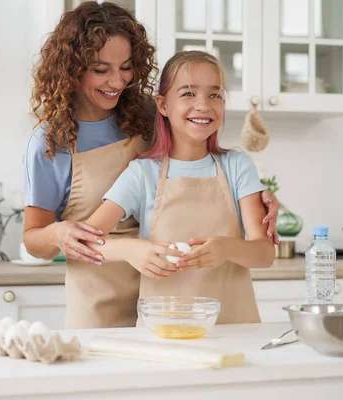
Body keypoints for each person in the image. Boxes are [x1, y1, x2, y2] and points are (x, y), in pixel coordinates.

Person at [22, 2, 278, 329]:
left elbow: (203, 150)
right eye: (101, 69)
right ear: (72, 68)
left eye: (126, 67)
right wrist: (60, 234)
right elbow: (35, 239)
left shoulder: (146, 113)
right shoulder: (51, 143)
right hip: (100, 294)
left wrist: (259, 197)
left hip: (170, 297)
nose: (117, 81)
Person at [85, 51, 276, 324]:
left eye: (215, 95)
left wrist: (225, 249)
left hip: (234, 330)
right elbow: (87, 242)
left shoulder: (237, 166)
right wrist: (131, 249)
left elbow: (265, 252)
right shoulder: (142, 173)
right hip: (162, 331)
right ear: (162, 105)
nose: (203, 106)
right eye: (188, 94)